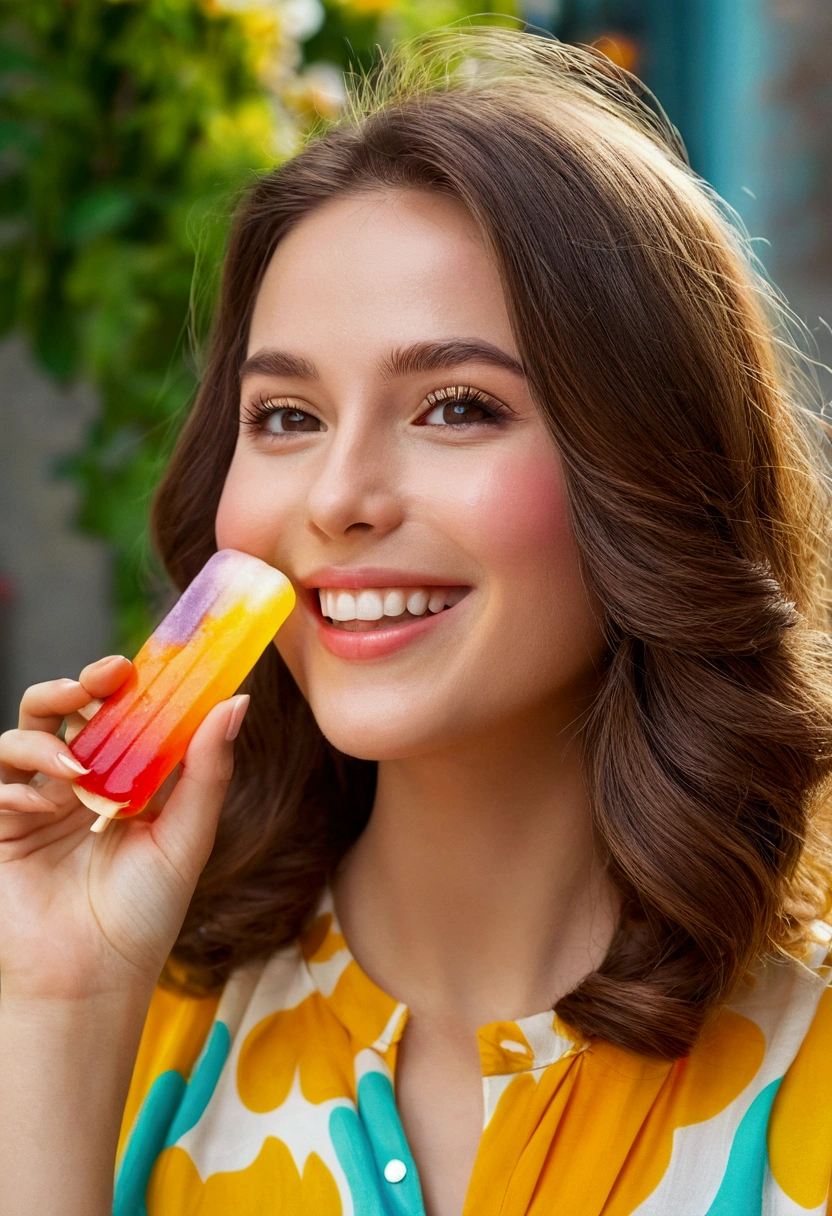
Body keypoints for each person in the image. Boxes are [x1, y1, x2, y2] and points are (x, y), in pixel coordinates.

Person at [2, 27, 832, 1216]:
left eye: (454, 406)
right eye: (284, 415)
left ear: (652, 463)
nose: (337, 499)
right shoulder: (117, 1031)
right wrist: (60, 1011)